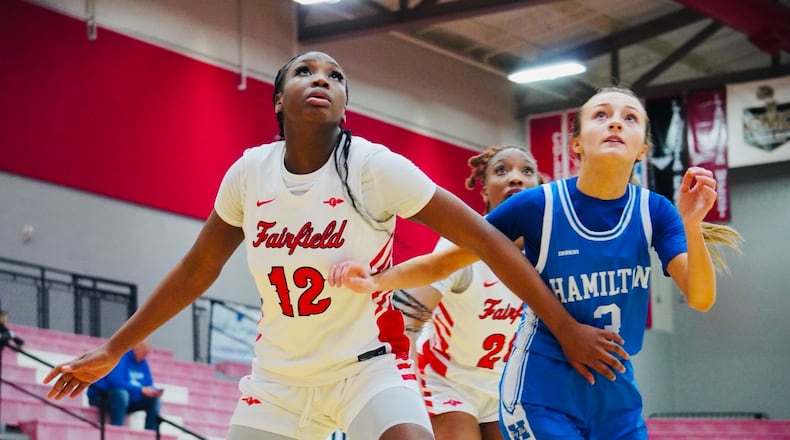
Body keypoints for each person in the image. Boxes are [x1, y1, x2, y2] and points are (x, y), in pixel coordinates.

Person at [43, 51, 626, 440]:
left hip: (369, 368)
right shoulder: (248, 174)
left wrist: (566, 328)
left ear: (346, 104)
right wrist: (115, 348)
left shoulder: (375, 167)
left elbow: (487, 240)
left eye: (335, 76)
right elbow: (197, 269)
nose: (320, 79)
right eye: (304, 72)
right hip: (277, 378)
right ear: (278, 100)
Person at [328, 86, 742, 440]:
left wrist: (691, 225)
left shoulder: (656, 211)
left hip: (614, 384)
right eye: (601, 115)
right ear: (576, 143)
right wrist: (379, 279)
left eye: (630, 118)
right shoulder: (538, 205)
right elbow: (442, 263)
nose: (616, 123)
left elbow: (701, 297)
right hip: (537, 383)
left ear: (643, 149)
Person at [395, 145, 542, 440]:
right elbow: (407, 321)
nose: (515, 178)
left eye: (527, 171)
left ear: (539, 187)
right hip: (446, 381)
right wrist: (403, 391)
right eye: (502, 170)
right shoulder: (462, 244)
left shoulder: (547, 254)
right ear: (484, 190)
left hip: (505, 385)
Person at [87, 340, 163, 431]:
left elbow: (149, 384)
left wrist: (154, 391)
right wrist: (140, 390)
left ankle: (151, 433)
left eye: (147, 354)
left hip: (127, 400)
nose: (145, 356)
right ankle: (117, 430)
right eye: (144, 352)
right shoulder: (121, 357)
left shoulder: (143, 363)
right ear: (136, 349)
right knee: (121, 394)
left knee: (154, 399)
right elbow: (116, 382)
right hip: (102, 396)